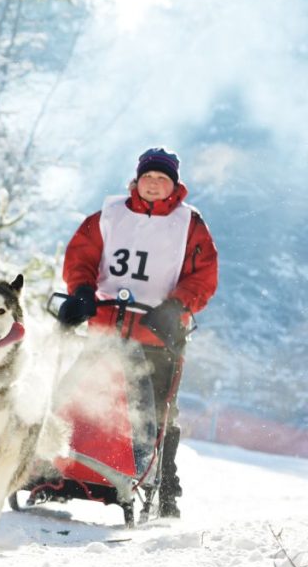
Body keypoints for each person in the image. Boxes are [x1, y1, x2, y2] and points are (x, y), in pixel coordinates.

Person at [57, 147, 218, 518]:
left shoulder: (189, 224)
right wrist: (81, 291)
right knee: (78, 396)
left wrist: (177, 305)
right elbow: (81, 256)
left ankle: (164, 487)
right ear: (137, 180)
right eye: (149, 177)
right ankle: (67, 471)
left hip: (156, 335)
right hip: (106, 328)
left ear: (174, 185)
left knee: (157, 413)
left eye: (162, 179)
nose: (154, 184)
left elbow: (204, 276)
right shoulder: (110, 215)